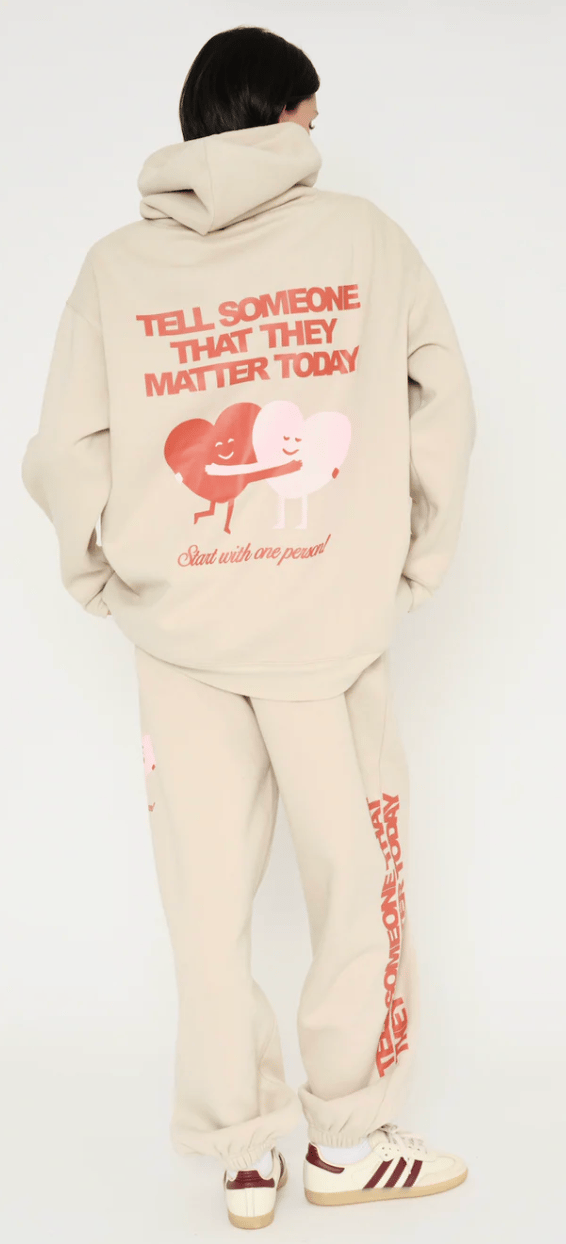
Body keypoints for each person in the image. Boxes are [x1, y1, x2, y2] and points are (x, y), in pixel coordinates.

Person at [21, 24, 476, 1232]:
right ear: (282, 115)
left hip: (180, 631)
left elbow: (62, 449)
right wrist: (412, 559)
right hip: (327, 624)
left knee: (205, 904)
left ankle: (239, 1152)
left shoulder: (116, 267)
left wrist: (102, 577)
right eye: (311, 118)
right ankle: (344, 1136)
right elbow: (441, 399)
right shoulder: (364, 239)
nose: (316, 138)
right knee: (354, 880)